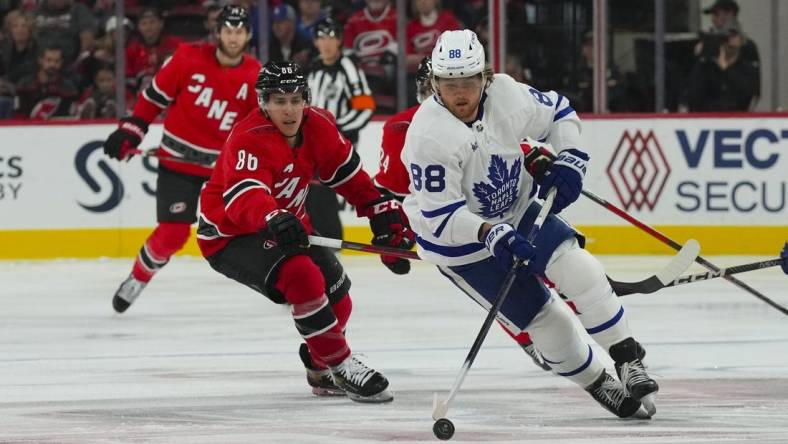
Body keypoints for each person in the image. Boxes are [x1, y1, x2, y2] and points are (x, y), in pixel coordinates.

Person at [402, 30, 658, 419]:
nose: (460, 93)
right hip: (462, 245)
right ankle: (596, 380)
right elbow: (441, 217)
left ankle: (627, 358)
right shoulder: (427, 135)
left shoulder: (506, 94)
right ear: (435, 82)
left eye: (468, 81)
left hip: (517, 210)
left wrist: (570, 157)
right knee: (544, 320)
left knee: (580, 269)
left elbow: (559, 111)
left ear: (485, 77)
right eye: (449, 83)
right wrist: (489, 233)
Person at [195, 60, 416, 402]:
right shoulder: (248, 137)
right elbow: (245, 196)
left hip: (288, 225)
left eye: (296, 99)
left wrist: (379, 211)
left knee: (338, 295)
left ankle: (320, 368)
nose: (289, 110)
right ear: (262, 103)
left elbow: (349, 175)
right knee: (302, 276)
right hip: (232, 235)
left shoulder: (320, 125)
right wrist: (272, 215)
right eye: (279, 101)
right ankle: (342, 367)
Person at [102, 6, 262, 314]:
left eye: (239, 32)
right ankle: (138, 277)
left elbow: (256, 130)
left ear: (248, 35)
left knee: (253, 228)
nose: (233, 37)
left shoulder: (255, 76)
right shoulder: (187, 58)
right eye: (228, 31)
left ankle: (282, 279)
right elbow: (153, 99)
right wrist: (131, 132)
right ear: (218, 32)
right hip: (178, 164)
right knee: (173, 233)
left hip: (222, 172)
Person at [305, 17, 376, 241]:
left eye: (331, 38)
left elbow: (365, 106)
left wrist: (338, 129)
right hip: (313, 142)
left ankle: (329, 242)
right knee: (311, 191)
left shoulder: (347, 67)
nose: (326, 43)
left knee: (320, 190)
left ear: (339, 41)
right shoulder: (313, 67)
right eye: (321, 37)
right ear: (315, 41)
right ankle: (322, 242)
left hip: (337, 143)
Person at [686, 20, 759, 112]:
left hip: (738, 119)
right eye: (726, 37)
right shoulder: (707, 68)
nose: (730, 40)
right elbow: (692, 97)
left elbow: (748, 93)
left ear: (742, 40)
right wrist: (701, 59)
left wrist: (726, 68)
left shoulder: (748, 69)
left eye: (734, 36)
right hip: (709, 119)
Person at [125, 7, 183, 94]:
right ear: (139, 27)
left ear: (161, 23)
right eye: (144, 24)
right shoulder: (131, 50)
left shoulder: (176, 45)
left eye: (152, 22)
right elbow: (127, 81)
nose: (148, 27)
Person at [14, 45, 79, 119]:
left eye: (57, 61)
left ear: (61, 63)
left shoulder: (69, 89)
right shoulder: (24, 85)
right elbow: (18, 117)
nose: (52, 64)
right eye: (49, 60)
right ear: (40, 60)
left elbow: (71, 118)